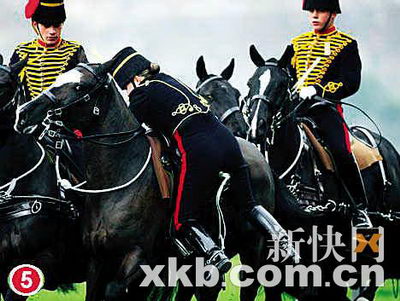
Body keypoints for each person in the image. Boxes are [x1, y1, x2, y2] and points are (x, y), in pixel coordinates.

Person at [107, 47, 299, 274]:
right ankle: (284, 241)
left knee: (183, 219)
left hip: (200, 150)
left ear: (135, 78)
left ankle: (213, 254)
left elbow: (133, 132)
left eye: (125, 86)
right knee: (249, 205)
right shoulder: (170, 80)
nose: (127, 92)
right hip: (230, 143)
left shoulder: (140, 95)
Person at [284, 0, 372, 228]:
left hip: (325, 110)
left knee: (341, 151)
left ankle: (360, 208)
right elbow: (286, 75)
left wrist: (319, 89)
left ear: (333, 15)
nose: (314, 15)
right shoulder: (296, 44)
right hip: (296, 112)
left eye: (320, 10)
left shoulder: (346, 45)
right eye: (311, 11)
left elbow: (352, 81)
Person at [10, 0, 88, 101]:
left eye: (57, 25)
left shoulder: (74, 50)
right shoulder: (21, 52)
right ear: (35, 25)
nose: (52, 31)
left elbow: (87, 87)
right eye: (46, 25)